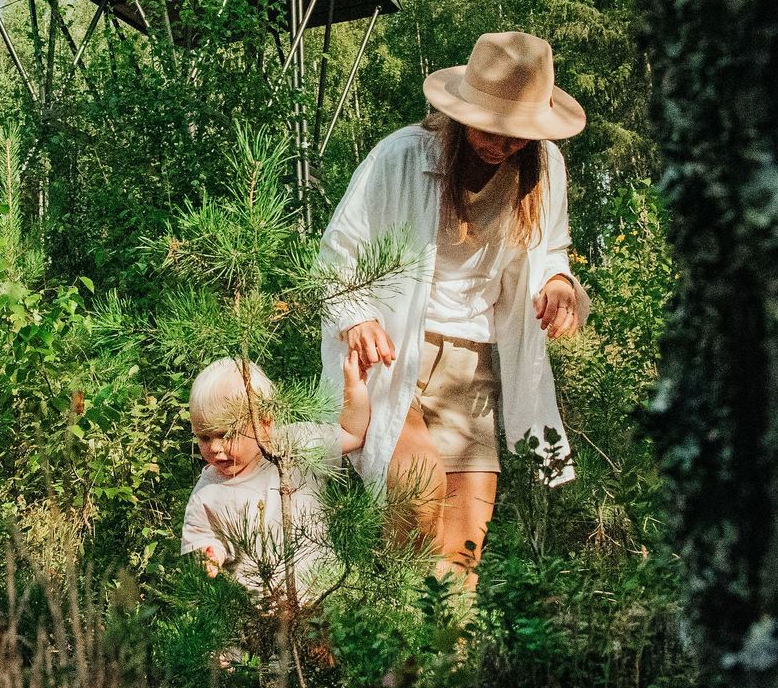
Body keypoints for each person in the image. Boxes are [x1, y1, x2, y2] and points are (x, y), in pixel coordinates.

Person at [319, 31, 590, 586]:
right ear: (463, 109)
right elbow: (337, 253)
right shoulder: (401, 155)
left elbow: (550, 255)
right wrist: (358, 315)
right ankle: (390, 636)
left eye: (516, 132)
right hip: (397, 357)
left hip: (475, 367)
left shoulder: (546, 170)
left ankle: (444, 668)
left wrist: (561, 283)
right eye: (490, 125)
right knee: (415, 503)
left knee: (462, 553)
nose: (500, 141)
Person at [179, 355, 370, 601]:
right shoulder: (208, 492)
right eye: (204, 437)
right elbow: (201, 536)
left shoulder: (296, 446)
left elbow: (352, 434)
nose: (215, 447)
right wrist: (210, 553)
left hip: (322, 595)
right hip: (260, 612)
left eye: (226, 434)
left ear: (265, 424)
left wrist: (354, 387)